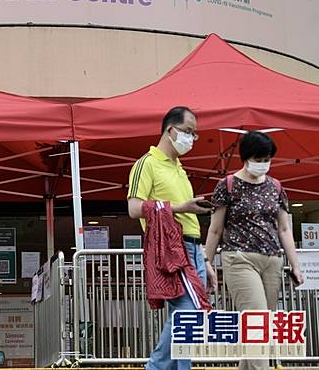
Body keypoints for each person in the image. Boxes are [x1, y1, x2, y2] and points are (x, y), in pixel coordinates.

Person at [205, 131, 304, 370]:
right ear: (246, 157)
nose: (263, 164)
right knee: (257, 320)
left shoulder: (275, 187)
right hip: (239, 258)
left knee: (261, 325)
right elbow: (215, 229)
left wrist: (295, 265)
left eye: (267, 159)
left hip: (272, 260)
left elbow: (284, 229)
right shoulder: (227, 185)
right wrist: (206, 261)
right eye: (258, 159)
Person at [127, 106, 214, 370]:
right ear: (170, 129)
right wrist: (180, 207)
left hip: (192, 248)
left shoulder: (180, 168)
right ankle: (154, 367)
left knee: (188, 317)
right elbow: (133, 208)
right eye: (188, 131)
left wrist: (205, 258)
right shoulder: (146, 163)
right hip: (173, 248)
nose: (191, 138)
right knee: (188, 314)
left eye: (194, 134)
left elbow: (187, 218)